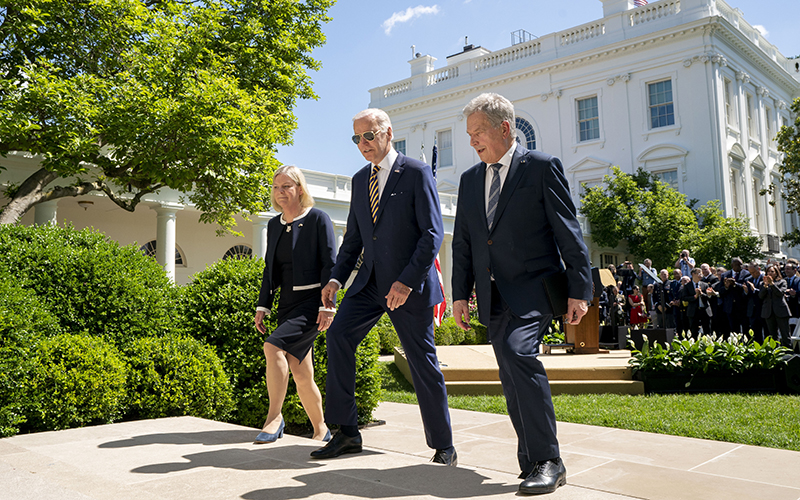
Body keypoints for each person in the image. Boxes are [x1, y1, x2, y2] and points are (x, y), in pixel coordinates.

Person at [451, 93, 591, 495]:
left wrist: (579, 290)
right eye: (469, 135)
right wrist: (460, 294)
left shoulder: (543, 168)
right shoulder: (469, 179)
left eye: (478, 132)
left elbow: (568, 231)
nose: (473, 141)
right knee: (510, 376)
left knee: (518, 354)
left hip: (533, 288)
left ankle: (550, 460)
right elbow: (464, 241)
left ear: (504, 128)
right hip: (493, 296)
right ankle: (532, 460)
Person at [310, 108, 456, 466]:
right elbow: (355, 238)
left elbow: (432, 234)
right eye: (357, 138)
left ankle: (444, 446)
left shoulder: (417, 172)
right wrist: (335, 278)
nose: (363, 144)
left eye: (369, 136)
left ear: (388, 133)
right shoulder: (361, 180)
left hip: (409, 286)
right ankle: (346, 432)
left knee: (422, 362)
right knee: (339, 336)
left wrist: (407, 282)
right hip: (371, 284)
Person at [254, 165, 336, 444]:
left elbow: (330, 264)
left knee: (272, 346)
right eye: (277, 187)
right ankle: (321, 429)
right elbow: (269, 269)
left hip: (312, 303)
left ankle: (274, 418)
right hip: (286, 304)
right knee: (301, 373)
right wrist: (262, 306)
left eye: (287, 186)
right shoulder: (273, 224)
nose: (281, 193)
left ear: (299, 189)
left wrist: (328, 305)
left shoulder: (317, 219)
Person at [759, 263, 792, 347]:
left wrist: (772, 284)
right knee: (773, 335)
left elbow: (780, 294)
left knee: (785, 334)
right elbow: (761, 296)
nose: (770, 273)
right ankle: (775, 353)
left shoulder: (782, 282)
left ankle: (788, 353)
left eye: (772, 271)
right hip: (768, 312)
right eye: (768, 272)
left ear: (776, 273)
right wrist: (766, 285)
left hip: (781, 311)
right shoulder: (762, 283)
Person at [680, 268, 712, 337]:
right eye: (699, 273)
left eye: (701, 273)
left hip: (704, 310)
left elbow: (709, 297)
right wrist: (695, 296)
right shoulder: (687, 286)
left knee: (707, 331)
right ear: (693, 274)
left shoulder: (705, 285)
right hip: (693, 311)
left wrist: (701, 294)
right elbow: (684, 297)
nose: (701, 275)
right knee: (694, 331)